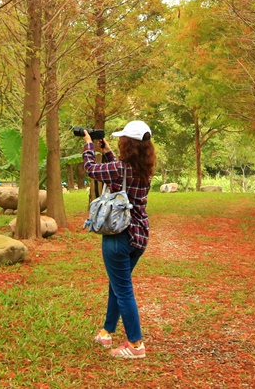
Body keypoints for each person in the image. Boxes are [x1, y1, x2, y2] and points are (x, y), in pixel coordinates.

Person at [82, 120, 155, 360]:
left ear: (127, 145)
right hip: (139, 236)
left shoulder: (119, 169)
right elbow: (118, 169)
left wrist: (89, 146)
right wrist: (107, 151)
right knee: (118, 284)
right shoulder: (145, 169)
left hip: (118, 237)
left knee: (123, 289)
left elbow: (91, 169)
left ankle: (136, 344)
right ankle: (106, 332)